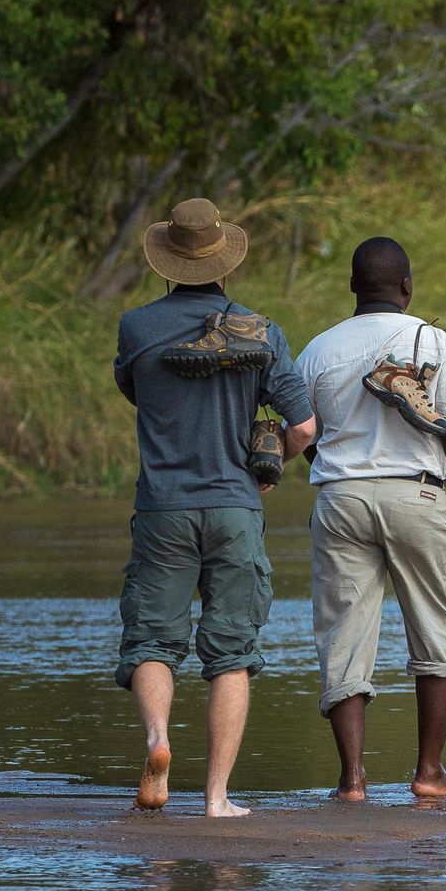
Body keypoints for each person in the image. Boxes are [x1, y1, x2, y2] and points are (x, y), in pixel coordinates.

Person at [114, 198, 316, 816]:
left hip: (163, 508)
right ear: (225, 259)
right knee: (232, 652)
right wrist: (271, 460)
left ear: (166, 262)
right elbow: (304, 427)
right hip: (235, 505)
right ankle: (218, 797)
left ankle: (158, 740)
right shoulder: (262, 330)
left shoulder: (136, 327)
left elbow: (134, 391)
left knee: (151, 638)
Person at [296, 237, 446, 801]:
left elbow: (304, 433)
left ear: (353, 287)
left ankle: (352, 779)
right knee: (434, 632)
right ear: (407, 287)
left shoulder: (318, 350)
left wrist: (333, 470)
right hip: (418, 496)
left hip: (341, 500)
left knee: (343, 637)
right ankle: (429, 774)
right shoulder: (432, 341)